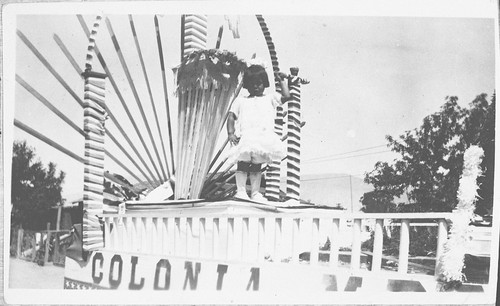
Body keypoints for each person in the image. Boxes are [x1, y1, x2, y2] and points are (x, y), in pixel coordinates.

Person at [227, 63, 291, 201]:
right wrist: (231, 133)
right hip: (246, 137)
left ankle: (255, 192)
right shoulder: (241, 101)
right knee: (243, 163)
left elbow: (286, 96)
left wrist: (282, 80)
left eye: (259, 83)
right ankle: (241, 191)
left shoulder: (270, 98)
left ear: (265, 83)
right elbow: (231, 115)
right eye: (252, 83)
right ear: (247, 85)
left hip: (263, 137)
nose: (255, 86)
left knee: (257, 165)